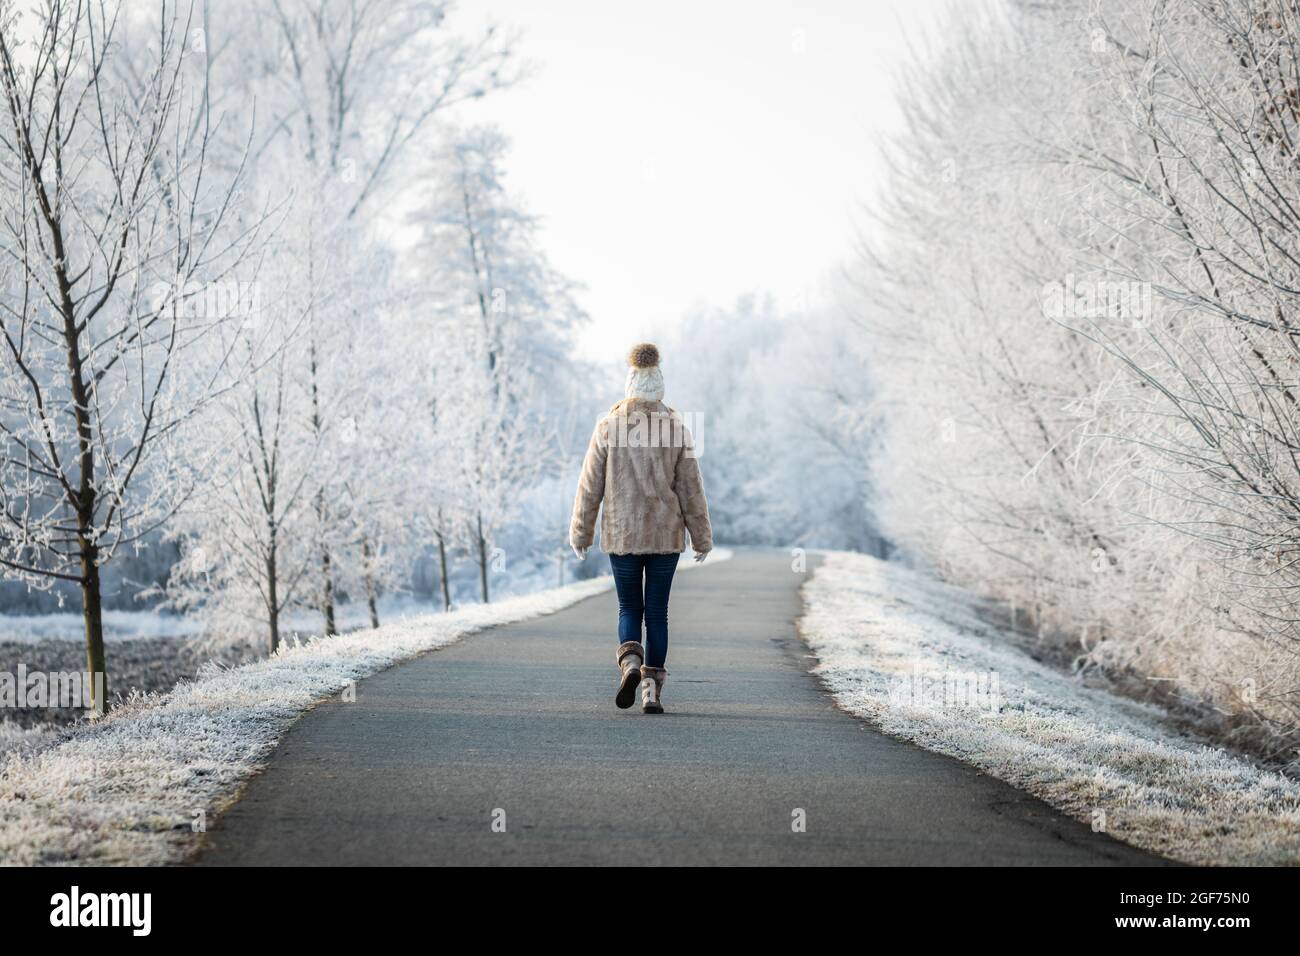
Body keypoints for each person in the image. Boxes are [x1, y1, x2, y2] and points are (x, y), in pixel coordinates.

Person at [569, 343, 712, 714]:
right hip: (665, 537)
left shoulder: (609, 426)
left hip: (623, 535)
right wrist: (702, 537)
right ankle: (651, 690)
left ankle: (630, 661)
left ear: (630, 384)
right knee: (658, 613)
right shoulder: (677, 428)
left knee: (629, 606)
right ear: (659, 386)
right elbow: (691, 488)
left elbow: (590, 486)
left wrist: (581, 533)